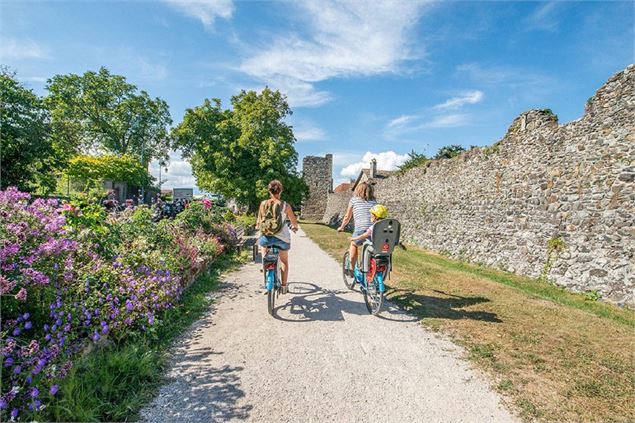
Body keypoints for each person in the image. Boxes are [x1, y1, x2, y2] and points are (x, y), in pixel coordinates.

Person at [256, 180, 299, 294]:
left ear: (269, 190)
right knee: (284, 261)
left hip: (266, 237)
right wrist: (294, 227)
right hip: (282, 239)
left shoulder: (263, 204)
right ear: (281, 191)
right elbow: (294, 222)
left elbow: (259, 222)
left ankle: (266, 274)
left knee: (264, 252)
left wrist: (258, 226)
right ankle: (284, 287)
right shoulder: (285, 205)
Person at [338, 182, 377, 273]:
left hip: (360, 230)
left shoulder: (354, 200)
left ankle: (351, 269)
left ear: (358, 190)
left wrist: (342, 227)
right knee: (371, 248)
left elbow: (347, 216)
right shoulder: (374, 202)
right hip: (373, 230)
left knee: (354, 244)